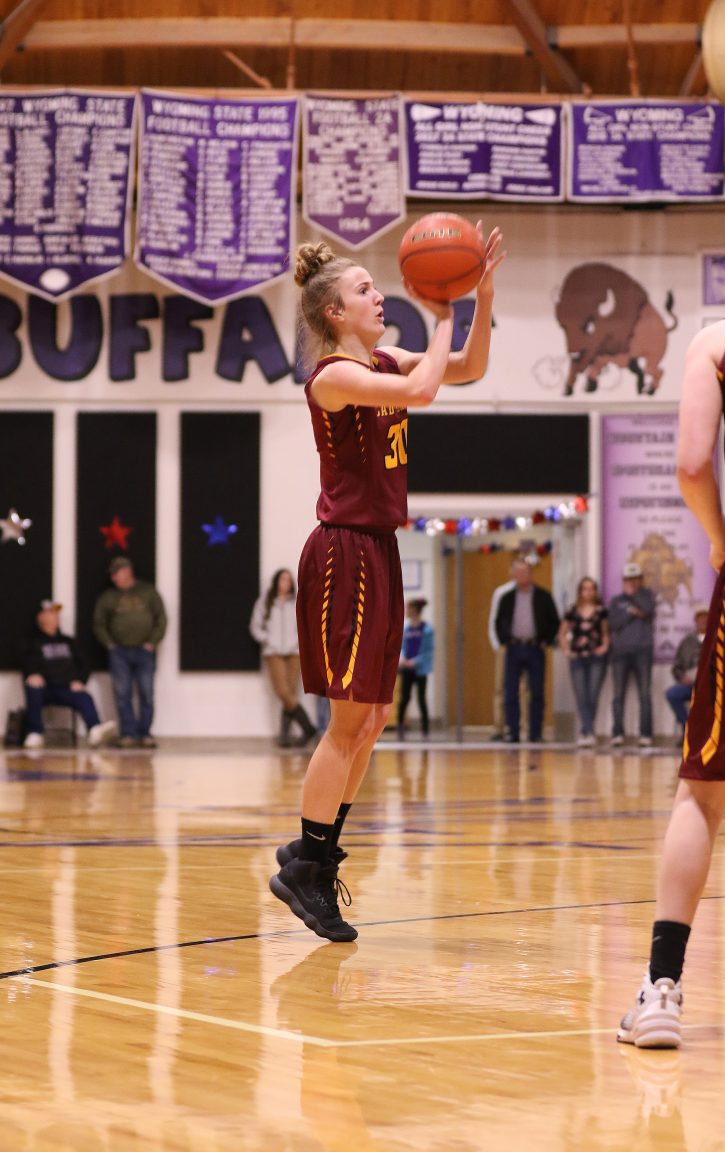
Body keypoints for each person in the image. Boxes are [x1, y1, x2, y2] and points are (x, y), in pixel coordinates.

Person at [269, 225, 505, 942]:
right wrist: (442, 309)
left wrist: (480, 296)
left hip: (380, 550)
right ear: (334, 311)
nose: (378, 296)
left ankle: (311, 855)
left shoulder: (383, 360)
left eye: (377, 286)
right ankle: (308, 868)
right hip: (343, 554)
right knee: (347, 724)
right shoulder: (334, 376)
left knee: (374, 718)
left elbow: (468, 367)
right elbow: (424, 389)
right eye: (365, 289)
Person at [617, 190, 725, 1049]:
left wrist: (718, 538)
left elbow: (688, 463)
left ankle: (662, 993)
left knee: (702, 791)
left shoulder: (718, 341)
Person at [93, 556, 167, 749]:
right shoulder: (108, 597)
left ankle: (145, 733)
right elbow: (99, 623)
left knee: (147, 693)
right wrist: (109, 644)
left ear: (127, 571)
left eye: (117, 573)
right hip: (119, 652)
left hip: (144, 651)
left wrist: (153, 642)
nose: (114, 578)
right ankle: (128, 734)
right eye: (112, 575)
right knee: (122, 693)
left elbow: (161, 618)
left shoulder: (147, 592)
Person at [22, 599, 117, 749]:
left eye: (56, 613)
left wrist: (80, 680)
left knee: (84, 696)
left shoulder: (69, 641)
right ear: (40, 617)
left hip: (66, 688)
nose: (56, 616)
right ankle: (34, 732)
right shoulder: (32, 642)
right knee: (33, 688)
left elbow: (85, 663)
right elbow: (26, 662)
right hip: (44, 688)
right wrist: (32, 673)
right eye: (51, 613)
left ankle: (94, 729)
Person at [493, 558, 560, 744]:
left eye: (525, 572)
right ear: (513, 574)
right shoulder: (506, 598)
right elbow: (498, 621)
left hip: (535, 648)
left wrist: (546, 640)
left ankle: (535, 733)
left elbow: (555, 621)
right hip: (514, 648)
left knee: (537, 691)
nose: (522, 576)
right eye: (518, 572)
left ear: (531, 574)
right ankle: (513, 731)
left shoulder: (543, 596)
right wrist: (504, 640)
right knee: (510, 692)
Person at [249, 568, 317, 748]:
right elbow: (255, 626)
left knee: (290, 694)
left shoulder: (297, 602)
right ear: (276, 581)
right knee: (282, 692)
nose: (285, 583)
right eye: (282, 579)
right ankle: (309, 728)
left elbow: (306, 625)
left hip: (294, 653)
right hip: (273, 653)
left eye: (288, 580)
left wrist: (298, 642)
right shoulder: (266, 602)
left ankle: (284, 737)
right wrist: (267, 639)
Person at [608, 562, 656, 747]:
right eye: (629, 579)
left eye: (636, 579)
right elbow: (614, 624)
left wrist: (634, 598)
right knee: (618, 694)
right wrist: (632, 612)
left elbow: (648, 611)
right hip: (621, 652)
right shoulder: (616, 601)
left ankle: (645, 734)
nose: (632, 582)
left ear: (641, 580)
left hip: (643, 650)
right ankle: (617, 733)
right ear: (624, 580)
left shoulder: (647, 596)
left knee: (644, 694)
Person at [558, 576, 610, 747]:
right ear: (580, 591)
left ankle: (587, 730)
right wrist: (566, 650)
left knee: (592, 694)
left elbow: (605, 632)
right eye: (585, 588)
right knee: (581, 695)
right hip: (578, 656)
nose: (588, 592)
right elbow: (562, 633)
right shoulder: (572, 610)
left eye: (591, 588)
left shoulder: (601, 611)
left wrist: (604, 646)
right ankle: (588, 731)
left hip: (596, 657)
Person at [665, 604, 709, 742]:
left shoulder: (716, 639)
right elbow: (676, 667)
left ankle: (709, 733)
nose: (703, 620)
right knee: (672, 693)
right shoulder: (687, 642)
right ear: (695, 620)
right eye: (700, 617)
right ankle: (688, 728)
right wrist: (682, 677)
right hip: (691, 685)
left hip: (710, 686)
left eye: (706, 617)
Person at [396, 597, 434, 739]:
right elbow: (402, 646)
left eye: (409, 608)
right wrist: (402, 658)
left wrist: (415, 661)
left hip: (420, 669)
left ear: (416, 610)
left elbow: (428, 651)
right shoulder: (406, 628)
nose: (407, 611)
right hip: (407, 668)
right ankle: (400, 727)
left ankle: (425, 729)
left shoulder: (427, 630)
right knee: (404, 698)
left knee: (421, 699)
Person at [487, 561, 516, 740]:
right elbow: (494, 619)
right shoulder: (502, 592)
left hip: (522, 645)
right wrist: (497, 644)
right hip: (505, 646)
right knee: (500, 687)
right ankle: (499, 726)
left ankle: (520, 726)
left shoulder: (531, 592)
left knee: (523, 689)